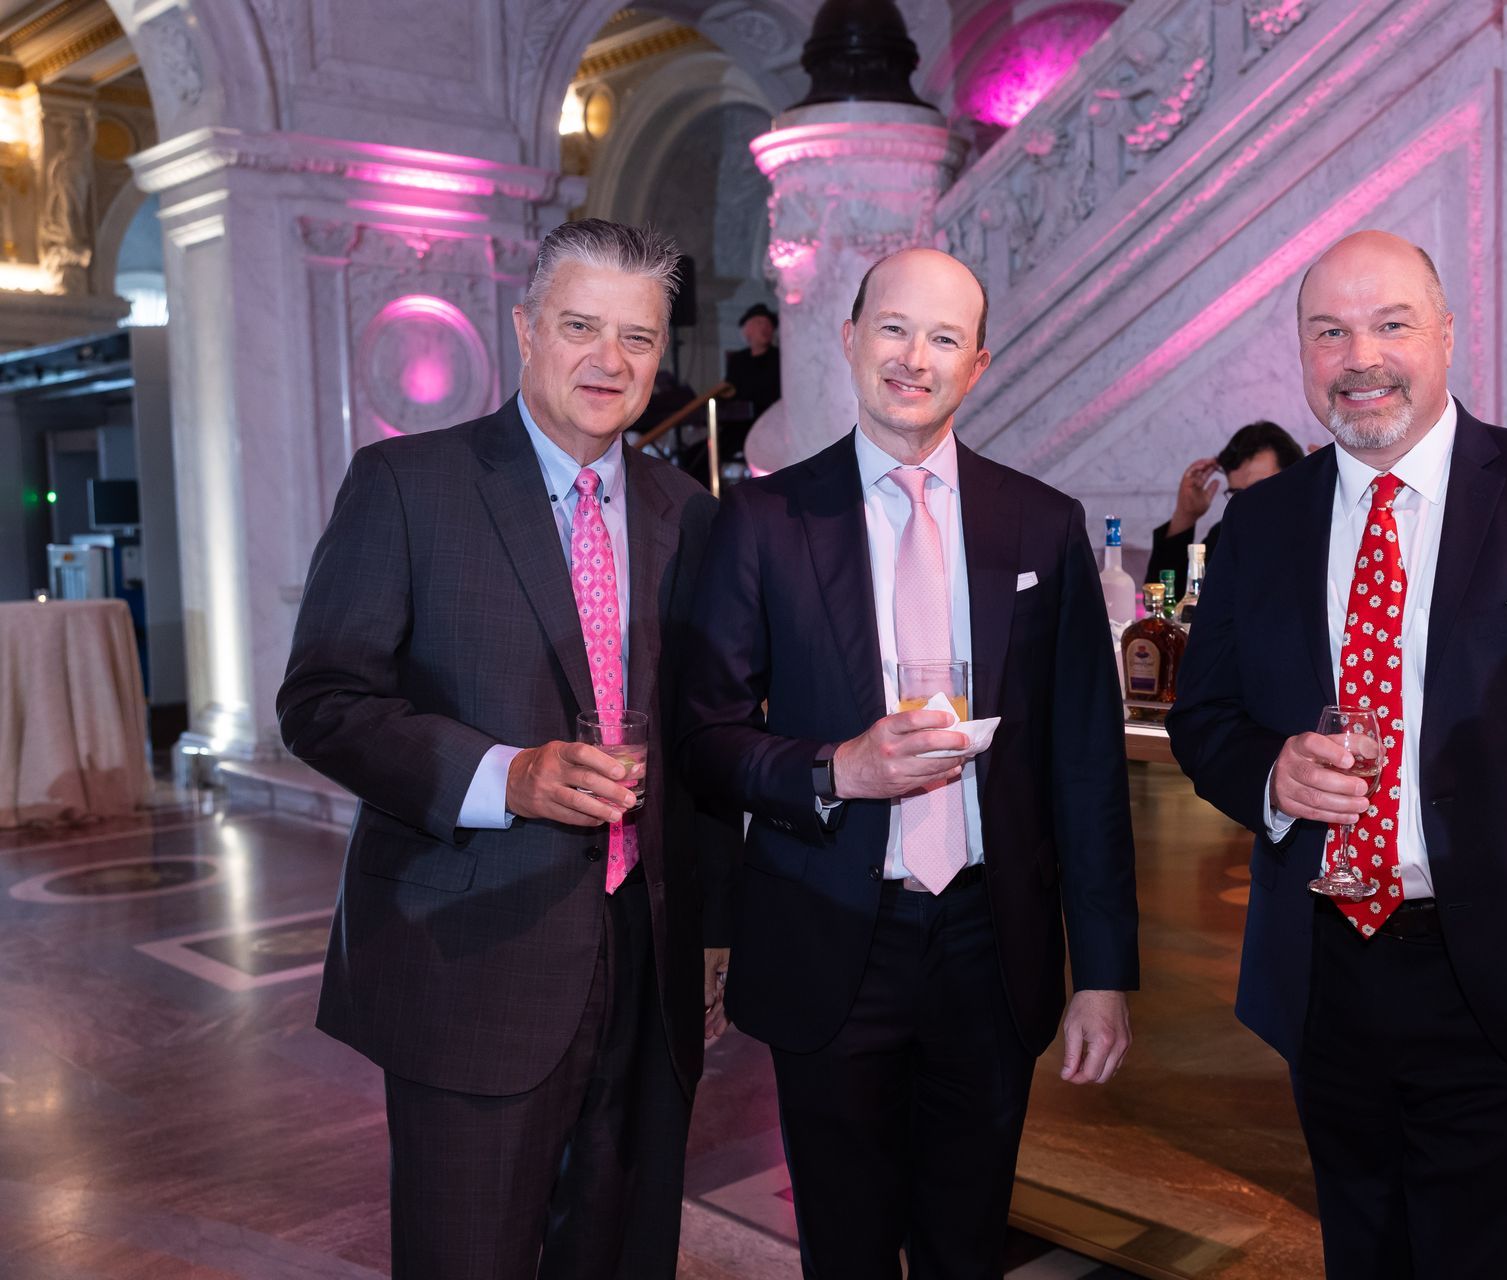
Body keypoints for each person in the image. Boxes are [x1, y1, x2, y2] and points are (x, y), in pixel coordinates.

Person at [1166, 230, 1507, 1279]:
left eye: (1391, 323)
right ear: (1304, 353)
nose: (1361, 356)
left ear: (1450, 336)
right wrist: (1271, 773)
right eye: (1331, 331)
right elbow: (1205, 716)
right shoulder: (1261, 523)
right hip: (1325, 980)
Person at [278, 219, 739, 1279]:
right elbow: (323, 700)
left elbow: (706, 739)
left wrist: (714, 928)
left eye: (638, 336)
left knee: (625, 1252)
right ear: (526, 328)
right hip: (471, 956)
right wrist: (506, 776)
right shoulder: (406, 485)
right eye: (581, 326)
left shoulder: (693, 515)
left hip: (647, 959)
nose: (610, 360)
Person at [679, 247, 1139, 1279]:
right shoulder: (763, 520)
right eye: (892, 328)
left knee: (967, 1241)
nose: (913, 357)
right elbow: (705, 741)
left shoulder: (1042, 524)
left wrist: (1104, 969)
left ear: (977, 365)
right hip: (833, 928)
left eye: (942, 338)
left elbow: (1083, 768)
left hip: (990, 939)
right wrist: (833, 767)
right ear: (849, 340)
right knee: (844, 1246)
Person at [1146, 420, 1305, 596]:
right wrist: (1185, 516)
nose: (1248, 506)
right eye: (1238, 494)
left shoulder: (1320, 535)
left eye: (1259, 490)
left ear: (1293, 480)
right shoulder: (1225, 535)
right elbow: (1165, 604)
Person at [721, 301, 782, 457]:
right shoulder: (738, 360)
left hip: (770, 426)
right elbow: (730, 392)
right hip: (738, 426)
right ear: (748, 329)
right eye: (760, 322)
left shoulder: (780, 358)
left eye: (769, 324)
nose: (766, 328)